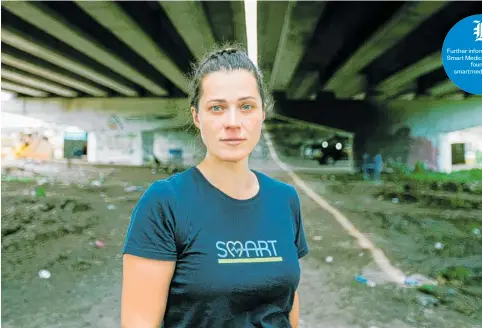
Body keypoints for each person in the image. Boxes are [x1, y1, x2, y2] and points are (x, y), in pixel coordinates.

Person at [121, 46, 309, 328]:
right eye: (217, 108)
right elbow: (139, 321)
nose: (233, 123)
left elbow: (288, 299)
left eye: (246, 106)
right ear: (197, 117)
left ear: (262, 114)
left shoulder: (285, 199)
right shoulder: (165, 203)